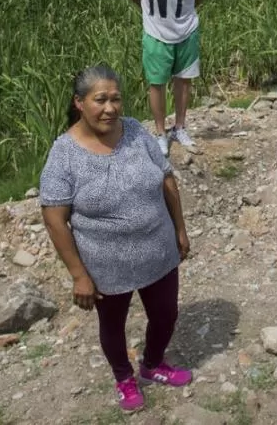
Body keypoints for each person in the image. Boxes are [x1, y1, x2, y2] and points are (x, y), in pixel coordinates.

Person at [39, 64, 192, 412]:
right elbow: (54, 219)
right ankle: (124, 378)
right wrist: (79, 275)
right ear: (80, 103)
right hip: (107, 265)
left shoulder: (137, 132)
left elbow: (167, 180)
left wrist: (180, 229)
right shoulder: (64, 153)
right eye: (100, 100)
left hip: (159, 250)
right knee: (113, 325)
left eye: (116, 99)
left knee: (166, 314)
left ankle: (153, 365)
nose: (110, 107)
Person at [122, 0, 213, 157]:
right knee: (157, 82)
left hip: (187, 28)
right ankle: (161, 132)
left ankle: (180, 127)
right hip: (155, 31)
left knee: (184, 81)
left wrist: (189, 7)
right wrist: (146, 6)